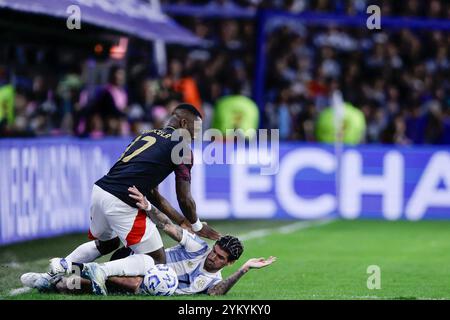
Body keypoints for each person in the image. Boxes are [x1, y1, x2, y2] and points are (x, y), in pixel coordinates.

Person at [47, 104, 221, 279]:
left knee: (107, 244)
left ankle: (54, 275)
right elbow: (184, 198)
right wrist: (197, 226)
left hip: (100, 191)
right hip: (122, 199)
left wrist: (182, 221)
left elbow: (153, 194)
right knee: (156, 260)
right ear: (184, 123)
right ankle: (96, 270)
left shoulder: (147, 135)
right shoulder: (181, 147)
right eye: (195, 130)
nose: (196, 135)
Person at [21, 186, 276, 296]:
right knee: (137, 269)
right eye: (215, 251)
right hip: (135, 263)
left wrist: (245, 270)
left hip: (145, 285)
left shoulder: (213, 281)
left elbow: (216, 293)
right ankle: (77, 272)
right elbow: (168, 226)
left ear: (229, 263)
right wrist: (148, 206)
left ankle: (53, 281)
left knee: (69, 288)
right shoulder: (199, 247)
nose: (213, 256)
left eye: (220, 258)